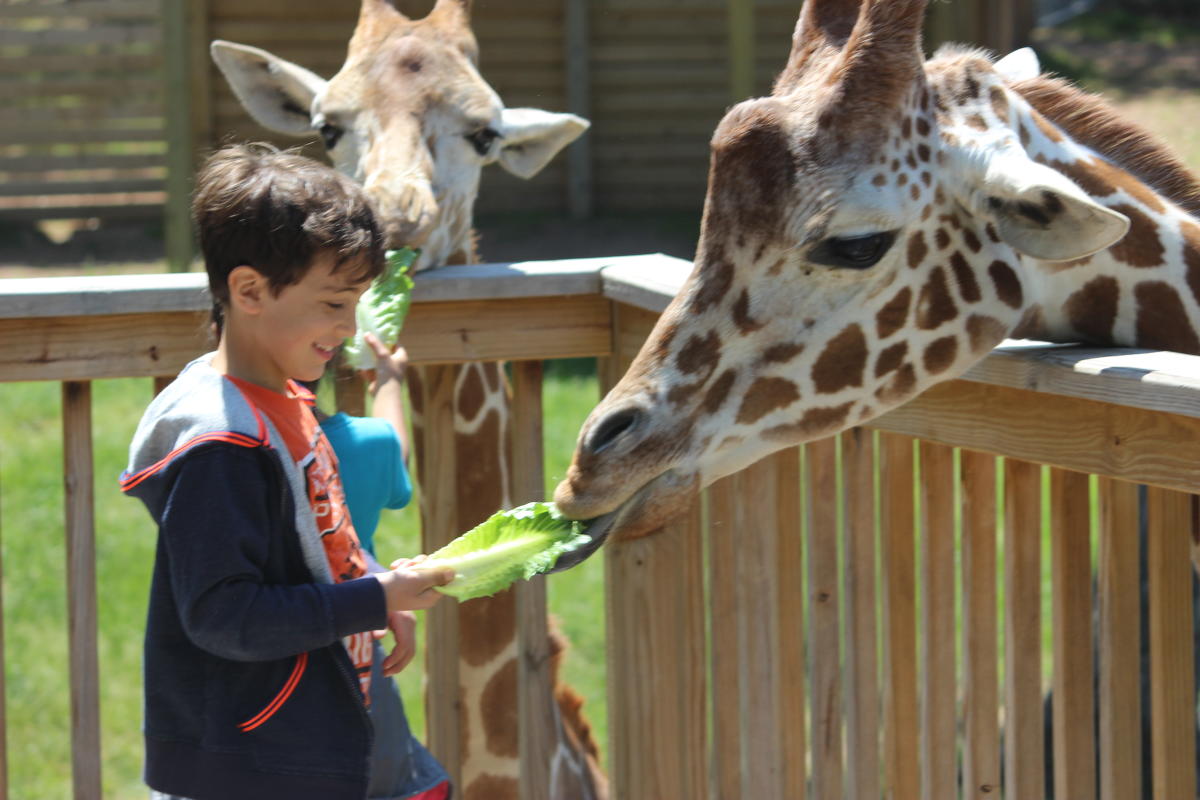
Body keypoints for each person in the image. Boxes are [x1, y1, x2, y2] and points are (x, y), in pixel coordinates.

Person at [121, 143, 453, 800]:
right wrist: (372, 601)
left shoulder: (283, 402)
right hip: (245, 766)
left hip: (291, 748)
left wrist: (376, 587)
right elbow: (227, 616)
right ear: (249, 291)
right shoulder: (221, 443)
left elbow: (308, 549)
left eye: (357, 302)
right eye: (334, 303)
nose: (349, 325)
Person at [304, 332, 450, 799]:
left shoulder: (241, 446)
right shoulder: (368, 445)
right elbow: (395, 447)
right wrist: (388, 381)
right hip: (362, 656)